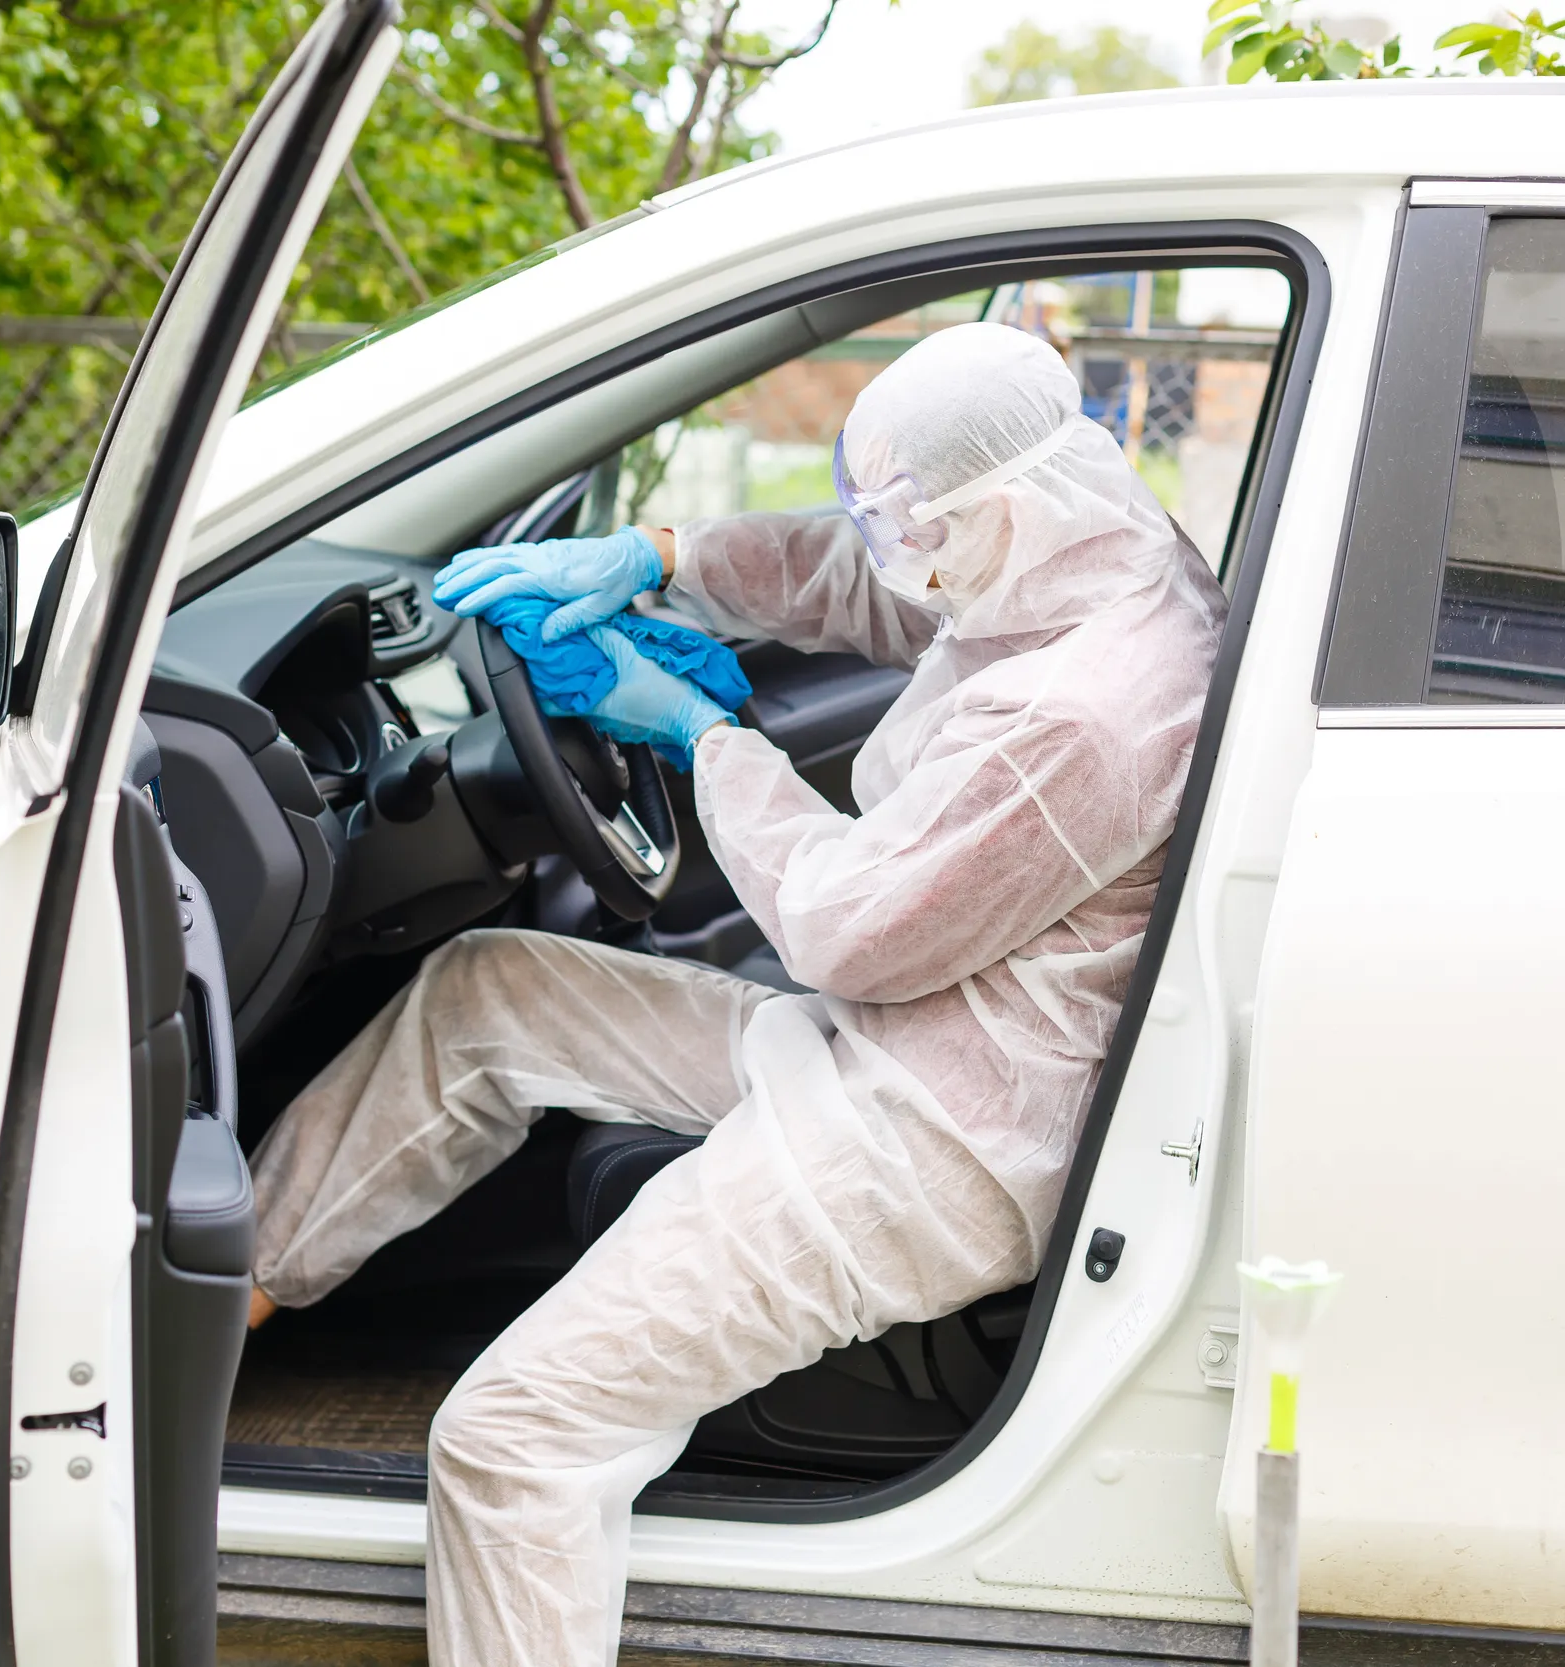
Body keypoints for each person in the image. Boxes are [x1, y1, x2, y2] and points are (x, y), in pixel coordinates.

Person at [245, 321, 1227, 1667]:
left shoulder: (1086, 711)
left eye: (914, 526)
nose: (899, 555)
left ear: (996, 506)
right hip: (892, 1043)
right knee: (490, 991)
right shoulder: (1084, 548)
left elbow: (843, 926)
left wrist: (706, 734)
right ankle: (234, 1295)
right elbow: (879, 590)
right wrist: (660, 561)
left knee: (512, 1439)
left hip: (928, 1143)